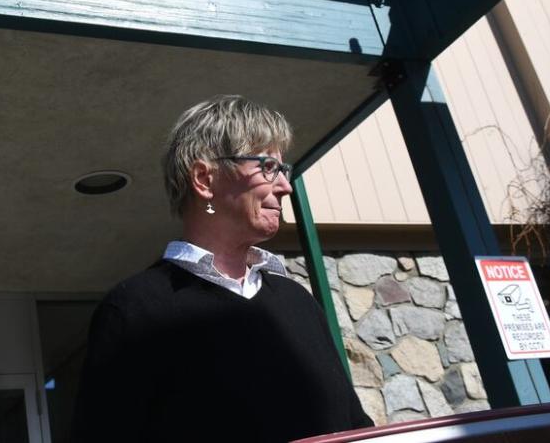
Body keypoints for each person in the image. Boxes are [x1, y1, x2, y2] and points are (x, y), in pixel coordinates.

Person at [71, 95, 373, 443]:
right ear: (204, 179)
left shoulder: (298, 301)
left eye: (283, 169)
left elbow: (355, 426)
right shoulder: (134, 310)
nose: (286, 186)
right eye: (268, 167)